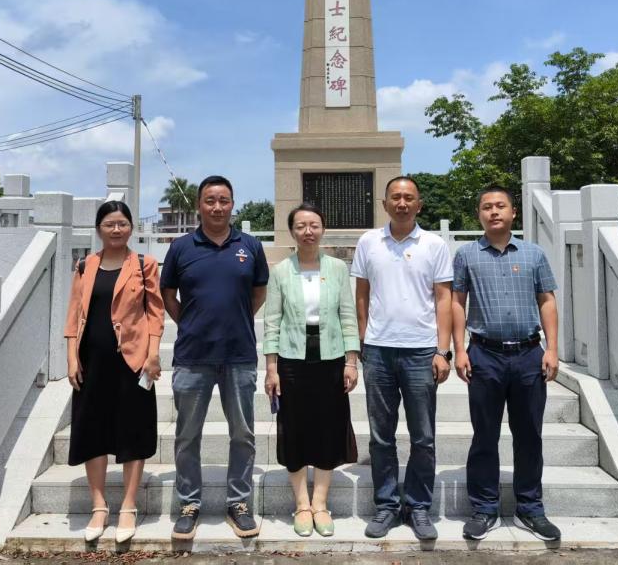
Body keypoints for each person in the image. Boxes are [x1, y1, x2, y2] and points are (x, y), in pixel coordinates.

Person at [160, 175, 269, 540]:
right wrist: (191, 323)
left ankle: (238, 503)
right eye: (210, 200)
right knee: (187, 435)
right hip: (193, 356)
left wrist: (236, 320)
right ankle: (189, 504)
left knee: (243, 434)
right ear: (199, 205)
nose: (217, 207)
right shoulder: (181, 248)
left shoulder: (250, 246)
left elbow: (258, 292)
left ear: (232, 204)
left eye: (224, 200)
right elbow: (168, 294)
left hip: (239, 355)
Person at [451, 185, 562, 542]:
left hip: (529, 354)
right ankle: (484, 508)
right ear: (479, 214)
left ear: (514, 213)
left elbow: (547, 301)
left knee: (529, 434)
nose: (494, 211)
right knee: (485, 434)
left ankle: (530, 508)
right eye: (487, 206)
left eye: (501, 206)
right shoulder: (466, 255)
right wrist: (459, 349)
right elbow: (457, 302)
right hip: (485, 355)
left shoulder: (533, 254)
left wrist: (552, 349)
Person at [351, 176, 453, 541]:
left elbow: (443, 298)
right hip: (379, 350)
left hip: (422, 351)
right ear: (385, 204)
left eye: (409, 197)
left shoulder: (434, 244)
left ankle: (419, 506)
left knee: (423, 436)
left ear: (419, 204)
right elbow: (361, 294)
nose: (402, 203)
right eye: (395, 197)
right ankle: (386, 505)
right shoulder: (369, 242)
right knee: (381, 436)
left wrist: (442, 350)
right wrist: (364, 339)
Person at [63, 200, 164, 544]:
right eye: (109, 224)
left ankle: (129, 506)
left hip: (132, 361)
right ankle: (99, 505)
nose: (116, 229)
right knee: (93, 431)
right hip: (91, 362)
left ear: (131, 227)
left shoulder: (144, 265)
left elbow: (155, 314)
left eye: (122, 223)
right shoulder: (84, 266)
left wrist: (153, 355)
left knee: (133, 431)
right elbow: (73, 316)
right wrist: (72, 359)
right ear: (99, 229)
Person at [263, 203, 360, 537]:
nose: (308, 231)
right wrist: (271, 368)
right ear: (292, 231)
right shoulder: (281, 271)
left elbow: (347, 314)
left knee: (328, 427)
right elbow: (272, 321)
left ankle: (320, 503)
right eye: (301, 226)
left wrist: (351, 360)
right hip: (291, 359)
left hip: (331, 357)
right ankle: (302, 504)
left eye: (314, 225)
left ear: (323, 229)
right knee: (294, 427)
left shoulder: (336, 268)